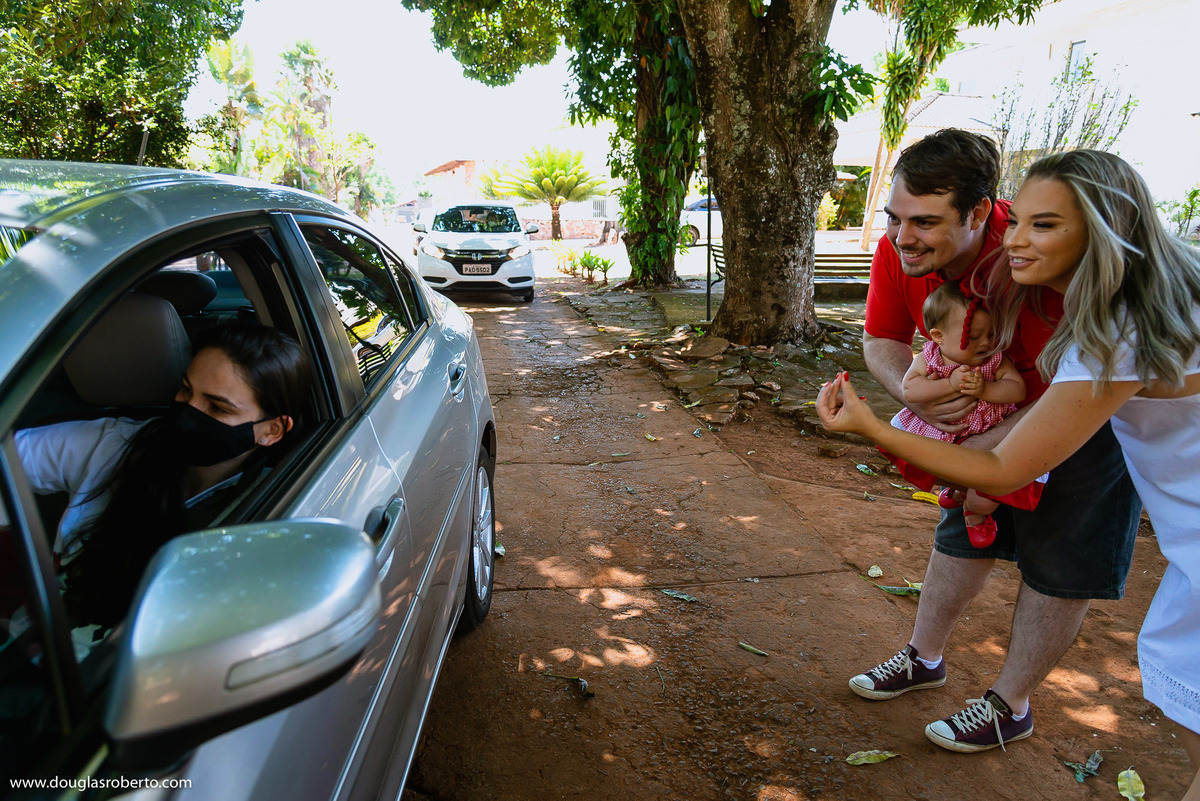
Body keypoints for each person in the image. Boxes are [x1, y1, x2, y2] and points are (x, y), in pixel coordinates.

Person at [820, 149, 1200, 797]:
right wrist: (916, 401)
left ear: (1106, 229)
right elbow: (888, 340)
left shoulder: (1119, 327)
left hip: (1072, 434)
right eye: (1018, 220)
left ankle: (1009, 702)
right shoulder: (1127, 304)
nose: (1015, 240)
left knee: (1062, 558)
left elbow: (1004, 465)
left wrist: (875, 427)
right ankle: (924, 656)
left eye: (1043, 224)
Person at [17, 323, 312, 628]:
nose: (188, 411)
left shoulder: (273, 508)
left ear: (271, 431)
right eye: (186, 389)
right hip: (43, 642)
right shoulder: (115, 445)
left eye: (217, 407)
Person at [890, 280, 1038, 548]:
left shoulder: (995, 360)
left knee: (984, 495)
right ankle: (957, 492)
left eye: (991, 334)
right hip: (945, 433)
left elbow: (1017, 390)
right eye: (973, 336)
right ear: (938, 336)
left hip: (988, 437)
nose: (985, 343)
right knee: (933, 465)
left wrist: (985, 389)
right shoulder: (929, 357)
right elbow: (910, 390)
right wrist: (948, 384)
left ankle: (974, 512)